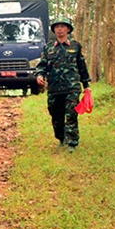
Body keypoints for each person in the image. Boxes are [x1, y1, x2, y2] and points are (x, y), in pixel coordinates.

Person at [35, 17, 90, 153]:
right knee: (56, 115)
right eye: (57, 27)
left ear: (68, 29)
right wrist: (39, 75)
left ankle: (72, 142)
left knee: (71, 113)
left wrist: (86, 85)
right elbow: (42, 65)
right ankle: (61, 138)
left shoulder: (75, 46)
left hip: (72, 87)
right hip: (54, 88)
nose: (59, 29)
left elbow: (82, 67)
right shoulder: (48, 48)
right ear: (54, 30)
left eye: (62, 26)